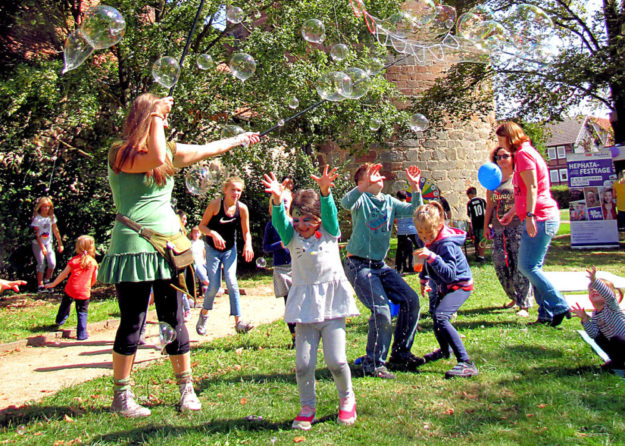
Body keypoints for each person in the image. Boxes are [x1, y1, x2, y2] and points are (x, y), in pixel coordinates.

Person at [97, 93, 260, 418]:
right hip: (135, 246)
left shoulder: (169, 151)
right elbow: (155, 156)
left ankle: (186, 390)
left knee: (174, 318)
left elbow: (207, 149)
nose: (166, 122)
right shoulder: (121, 152)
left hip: (172, 245)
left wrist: (239, 139)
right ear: (146, 117)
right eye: (160, 117)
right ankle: (121, 397)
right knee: (133, 320)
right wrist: (156, 114)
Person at [262, 166, 360, 430]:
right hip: (305, 307)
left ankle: (346, 399)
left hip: (332, 304)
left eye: (307, 220)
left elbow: (329, 214)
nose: (300, 225)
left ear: (318, 220)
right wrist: (276, 200)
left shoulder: (330, 233)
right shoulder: (291, 237)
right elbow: (279, 222)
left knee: (337, 361)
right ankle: (308, 407)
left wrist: (325, 192)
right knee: (303, 363)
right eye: (297, 220)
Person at [341, 163, 423, 379]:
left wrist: (415, 188)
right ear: (361, 183)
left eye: (377, 173)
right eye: (371, 174)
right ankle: (374, 363)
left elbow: (415, 211)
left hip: (380, 265)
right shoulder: (360, 200)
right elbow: (345, 202)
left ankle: (400, 353)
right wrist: (364, 185)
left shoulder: (389, 201)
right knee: (381, 310)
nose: (378, 175)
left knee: (411, 300)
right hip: (358, 264)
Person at [497, 121, 570, 327]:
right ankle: (546, 314)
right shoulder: (526, 152)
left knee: (527, 266)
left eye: (501, 139)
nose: (500, 144)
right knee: (534, 267)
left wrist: (529, 216)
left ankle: (560, 305)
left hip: (541, 217)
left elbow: (532, 187)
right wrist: (513, 212)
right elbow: (522, 194)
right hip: (537, 215)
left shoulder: (523, 154)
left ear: (509, 137)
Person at [411, 201, 478, 378]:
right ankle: (444, 350)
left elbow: (450, 274)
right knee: (436, 317)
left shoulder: (446, 244)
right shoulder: (429, 239)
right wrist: (424, 278)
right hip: (444, 285)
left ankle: (466, 362)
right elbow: (427, 258)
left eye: (428, 233)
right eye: (420, 233)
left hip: (460, 285)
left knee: (441, 317)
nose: (425, 238)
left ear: (439, 225)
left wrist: (432, 257)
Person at [196, 176, 255, 335]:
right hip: (212, 250)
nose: (236, 193)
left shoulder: (242, 209)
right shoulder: (215, 205)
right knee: (214, 286)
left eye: (239, 190)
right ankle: (204, 314)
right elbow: (202, 226)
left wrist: (248, 244)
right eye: (233, 189)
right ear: (225, 190)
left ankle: (239, 322)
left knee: (232, 280)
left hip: (230, 250)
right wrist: (213, 234)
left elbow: (246, 231)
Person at [483, 147, 533, 317]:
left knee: (518, 263)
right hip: (498, 228)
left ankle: (524, 303)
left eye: (505, 156)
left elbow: (528, 197)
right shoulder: (493, 180)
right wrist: (485, 226)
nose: (502, 159)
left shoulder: (517, 178)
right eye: (498, 157)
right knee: (500, 264)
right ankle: (513, 295)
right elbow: (489, 205)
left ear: (512, 158)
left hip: (517, 226)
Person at [571, 266, 625, 372]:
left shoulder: (612, 307)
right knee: (598, 338)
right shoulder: (595, 315)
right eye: (591, 289)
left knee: (616, 340)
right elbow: (593, 334)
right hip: (618, 347)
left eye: (598, 288)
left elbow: (609, 296)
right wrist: (585, 319)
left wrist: (594, 281)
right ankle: (617, 362)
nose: (594, 290)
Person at [45, 235, 98, 340]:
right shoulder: (93, 262)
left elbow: (63, 274)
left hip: (71, 289)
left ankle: (59, 320)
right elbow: (95, 278)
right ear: (92, 248)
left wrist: (53, 284)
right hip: (84, 291)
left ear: (77, 248)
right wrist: (89, 286)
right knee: (82, 311)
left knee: (65, 304)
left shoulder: (73, 261)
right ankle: (82, 334)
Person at [262, 186, 296, 347]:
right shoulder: (271, 225)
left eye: (286, 201)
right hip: (281, 268)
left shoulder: (296, 223)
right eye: (280, 202)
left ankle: (305, 332)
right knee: (289, 302)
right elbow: (265, 247)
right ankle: (295, 336)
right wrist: (279, 244)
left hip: (297, 266)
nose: (284, 205)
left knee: (300, 301)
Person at [31, 197, 64, 292]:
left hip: (48, 242)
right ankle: (40, 285)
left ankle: (47, 281)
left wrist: (60, 243)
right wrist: (42, 247)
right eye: (44, 206)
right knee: (41, 263)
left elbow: (55, 230)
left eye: (48, 207)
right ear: (40, 207)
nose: (46, 209)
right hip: (38, 244)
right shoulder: (37, 218)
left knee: (52, 263)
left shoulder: (51, 217)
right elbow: (37, 234)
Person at [394, 190, 422, 274]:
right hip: (412, 230)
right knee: (418, 248)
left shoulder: (397, 208)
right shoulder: (410, 206)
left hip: (402, 232)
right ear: (406, 197)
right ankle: (417, 267)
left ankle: (399, 268)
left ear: (398, 197)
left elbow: (395, 220)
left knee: (400, 251)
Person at [466, 187, 487, 262]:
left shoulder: (469, 203)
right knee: (482, 239)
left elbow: (469, 214)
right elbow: (486, 210)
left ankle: (479, 255)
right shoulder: (482, 200)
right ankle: (481, 255)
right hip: (483, 222)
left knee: (476, 239)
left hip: (475, 223)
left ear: (470, 195)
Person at [189, 226, 209, 298]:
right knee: (197, 269)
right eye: (195, 233)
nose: (196, 235)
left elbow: (203, 252)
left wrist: (205, 260)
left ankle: (205, 288)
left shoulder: (201, 242)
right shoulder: (190, 243)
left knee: (202, 270)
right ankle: (207, 284)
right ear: (191, 234)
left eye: (198, 233)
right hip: (194, 263)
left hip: (201, 262)